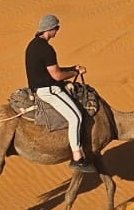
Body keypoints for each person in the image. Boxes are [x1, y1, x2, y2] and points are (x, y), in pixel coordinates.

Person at [25, 14, 96, 173]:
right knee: (76, 116)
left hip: (39, 88)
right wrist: (72, 73)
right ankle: (77, 157)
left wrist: (72, 69)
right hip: (49, 91)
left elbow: (50, 70)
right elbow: (56, 76)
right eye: (56, 28)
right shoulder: (46, 49)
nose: (57, 31)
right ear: (49, 29)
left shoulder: (32, 45)